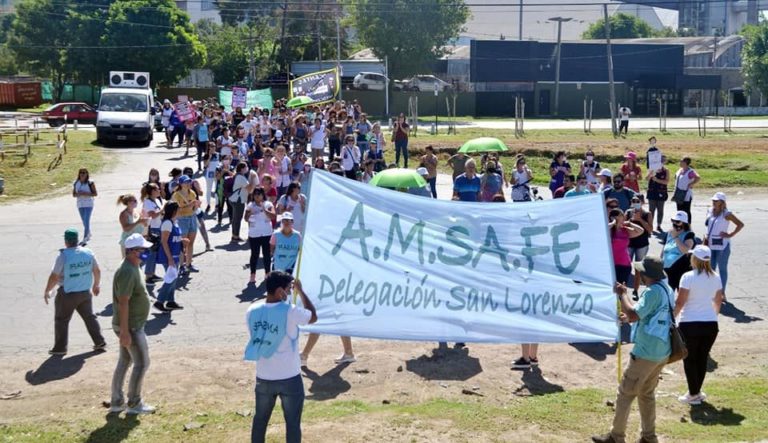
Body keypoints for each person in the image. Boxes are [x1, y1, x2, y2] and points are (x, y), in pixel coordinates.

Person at [592, 256, 673, 443]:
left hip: (646, 351)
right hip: (661, 350)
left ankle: (616, 436)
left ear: (646, 274)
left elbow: (634, 314)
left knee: (625, 393)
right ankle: (649, 437)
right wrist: (630, 316)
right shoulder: (665, 288)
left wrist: (622, 294)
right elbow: (643, 314)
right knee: (646, 394)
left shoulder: (652, 291)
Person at [245, 272, 317, 443]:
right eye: (288, 289)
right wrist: (301, 292)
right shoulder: (290, 311)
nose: (290, 292)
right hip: (289, 377)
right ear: (280, 291)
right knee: (292, 423)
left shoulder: (251, 310)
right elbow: (312, 316)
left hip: (264, 376)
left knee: (260, 420)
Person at [110, 233, 156, 415]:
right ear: (132, 251)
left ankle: (116, 401)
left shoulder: (134, 266)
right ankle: (134, 403)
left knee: (125, 361)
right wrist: (124, 332)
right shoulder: (127, 271)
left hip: (131, 325)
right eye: (142, 250)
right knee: (142, 363)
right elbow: (123, 302)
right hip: (131, 326)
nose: (146, 252)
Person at [674, 246, 725, 405]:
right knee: (701, 359)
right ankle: (696, 392)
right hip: (710, 325)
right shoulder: (716, 277)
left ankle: (693, 394)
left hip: (689, 324)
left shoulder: (688, 276)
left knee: (690, 359)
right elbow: (718, 301)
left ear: (694, 258)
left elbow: (680, 301)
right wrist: (713, 316)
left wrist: (672, 318)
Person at [43, 228, 105, 355]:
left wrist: (47, 290)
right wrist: (96, 285)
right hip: (85, 293)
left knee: (61, 320)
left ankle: (60, 348)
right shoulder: (88, 252)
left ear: (66, 241)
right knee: (89, 317)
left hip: (68, 293)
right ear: (77, 240)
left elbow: (54, 276)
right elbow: (97, 270)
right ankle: (99, 341)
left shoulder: (63, 256)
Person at [703, 192, 744, 298]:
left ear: (722, 202)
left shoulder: (726, 214)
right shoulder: (709, 211)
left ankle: (722, 292)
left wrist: (730, 234)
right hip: (710, 244)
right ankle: (711, 291)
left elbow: (740, 224)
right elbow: (708, 226)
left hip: (722, 246)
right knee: (710, 269)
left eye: (716, 201)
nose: (713, 202)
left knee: (722, 269)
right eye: (713, 200)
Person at [153, 201, 184, 312]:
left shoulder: (174, 222)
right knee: (170, 279)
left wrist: (182, 240)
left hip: (175, 255)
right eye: (179, 209)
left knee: (173, 278)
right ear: (174, 211)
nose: (180, 211)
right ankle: (159, 301)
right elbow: (164, 241)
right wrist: (170, 258)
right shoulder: (167, 223)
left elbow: (173, 238)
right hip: (168, 256)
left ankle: (170, 301)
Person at [246, 188, 276, 285]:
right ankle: (252, 275)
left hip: (266, 233)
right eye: (255, 194)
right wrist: (249, 213)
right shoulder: (250, 205)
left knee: (266, 254)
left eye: (259, 194)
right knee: (254, 254)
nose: (257, 196)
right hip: (254, 234)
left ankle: (267, 273)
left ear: (263, 195)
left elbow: (273, 216)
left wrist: (264, 210)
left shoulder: (268, 204)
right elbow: (245, 218)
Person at [627, 195, 654, 298]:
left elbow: (650, 230)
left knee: (638, 268)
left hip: (642, 244)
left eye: (637, 201)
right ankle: (623, 289)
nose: (635, 203)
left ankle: (635, 290)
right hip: (629, 244)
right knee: (626, 266)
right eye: (633, 201)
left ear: (642, 202)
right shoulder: (628, 212)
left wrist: (640, 219)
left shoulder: (647, 214)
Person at [608, 208, 645, 285]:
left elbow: (641, 231)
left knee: (621, 289)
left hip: (625, 264)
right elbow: (602, 230)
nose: (624, 217)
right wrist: (613, 223)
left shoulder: (625, 230)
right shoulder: (609, 230)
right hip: (611, 264)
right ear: (614, 217)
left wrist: (629, 223)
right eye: (621, 215)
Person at [171, 175, 199, 273]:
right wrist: (189, 205)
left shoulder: (192, 193)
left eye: (189, 182)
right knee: (182, 244)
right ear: (181, 184)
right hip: (182, 219)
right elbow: (175, 210)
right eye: (186, 182)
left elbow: (194, 209)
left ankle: (189, 264)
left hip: (192, 218)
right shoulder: (176, 195)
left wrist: (196, 206)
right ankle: (182, 265)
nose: (188, 184)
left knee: (190, 243)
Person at [662, 211, 696, 290]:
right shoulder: (669, 233)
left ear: (684, 223)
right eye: (673, 220)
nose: (675, 223)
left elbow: (685, 250)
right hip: (667, 268)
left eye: (677, 221)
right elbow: (664, 249)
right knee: (667, 292)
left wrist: (676, 237)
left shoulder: (689, 235)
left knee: (682, 294)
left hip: (681, 269)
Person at [141, 183, 164, 284]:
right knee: (151, 252)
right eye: (157, 189)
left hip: (158, 228)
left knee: (155, 253)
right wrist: (163, 209)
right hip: (152, 229)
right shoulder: (147, 202)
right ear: (152, 192)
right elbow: (153, 215)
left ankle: (152, 273)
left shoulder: (157, 200)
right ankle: (148, 275)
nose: (159, 190)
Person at [672, 157, 700, 225]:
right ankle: (680, 224)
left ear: (686, 163)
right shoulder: (680, 170)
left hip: (686, 194)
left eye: (681, 161)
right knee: (679, 210)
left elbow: (698, 178)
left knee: (686, 211)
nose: (680, 163)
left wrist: (691, 184)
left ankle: (688, 225)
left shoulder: (690, 171)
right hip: (678, 193)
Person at [72, 168, 97, 244]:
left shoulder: (90, 183)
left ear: (87, 174)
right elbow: (74, 194)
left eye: (84, 173)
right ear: (79, 174)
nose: (83, 174)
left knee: (86, 220)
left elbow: (95, 193)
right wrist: (78, 194)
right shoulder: (76, 183)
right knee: (84, 221)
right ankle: (89, 233)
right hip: (80, 204)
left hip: (88, 204)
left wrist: (85, 193)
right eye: (81, 173)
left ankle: (85, 237)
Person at [645, 155, 669, 232]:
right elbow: (646, 179)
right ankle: (650, 224)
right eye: (661, 160)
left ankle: (659, 225)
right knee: (651, 210)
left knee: (660, 210)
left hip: (661, 193)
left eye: (663, 161)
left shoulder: (666, 170)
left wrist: (657, 180)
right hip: (652, 193)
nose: (662, 162)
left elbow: (666, 181)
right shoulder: (651, 169)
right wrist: (650, 174)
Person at [230, 162, 251, 243]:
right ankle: (236, 236)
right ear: (242, 168)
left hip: (235, 199)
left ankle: (234, 235)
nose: (247, 168)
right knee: (237, 218)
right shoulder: (241, 177)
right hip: (238, 200)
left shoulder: (238, 175)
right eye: (246, 167)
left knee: (235, 218)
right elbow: (248, 188)